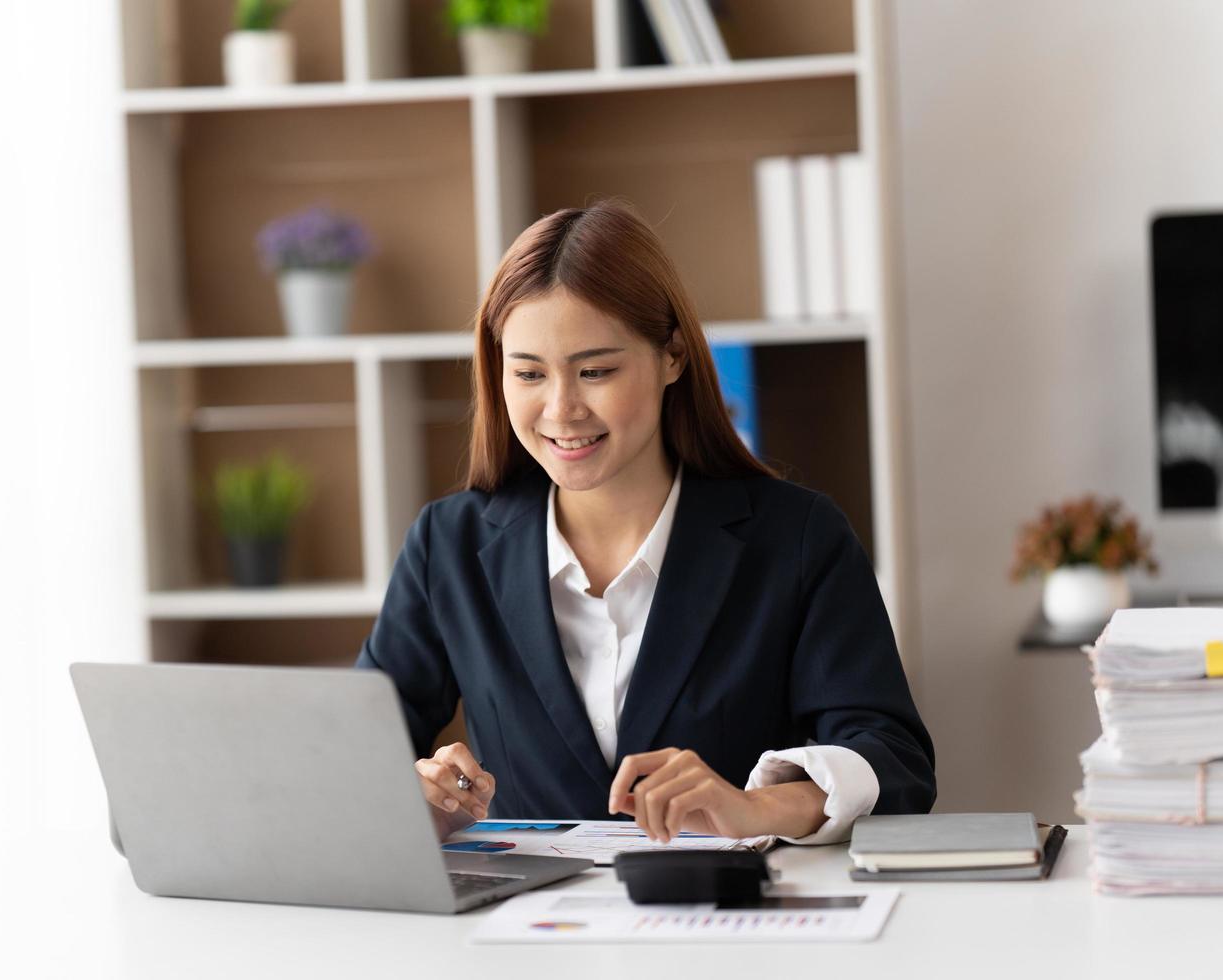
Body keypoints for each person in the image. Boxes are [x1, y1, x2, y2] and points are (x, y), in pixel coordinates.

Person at [355, 200, 934, 845]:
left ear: (674, 358)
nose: (562, 409)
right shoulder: (449, 545)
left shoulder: (795, 537)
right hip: (526, 931)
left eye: (596, 371)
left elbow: (895, 761)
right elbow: (347, 757)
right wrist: (418, 799)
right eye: (527, 374)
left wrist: (755, 808)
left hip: (728, 923)